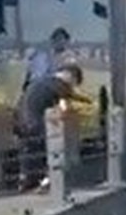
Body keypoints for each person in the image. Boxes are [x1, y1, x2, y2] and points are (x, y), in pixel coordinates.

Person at [14, 59, 87, 192]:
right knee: (52, 149)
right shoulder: (60, 85)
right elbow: (65, 106)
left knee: (29, 151)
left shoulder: (42, 82)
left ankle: (26, 181)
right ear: (71, 76)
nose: (73, 86)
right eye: (75, 83)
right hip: (36, 121)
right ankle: (47, 181)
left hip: (20, 119)